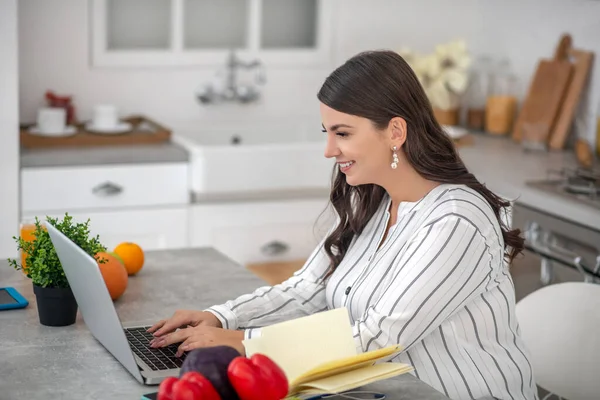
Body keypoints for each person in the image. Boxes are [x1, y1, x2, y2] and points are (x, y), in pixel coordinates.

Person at [148, 50, 537, 400]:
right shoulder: (370, 197)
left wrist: (241, 344)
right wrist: (221, 317)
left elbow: (379, 339)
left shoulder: (456, 221)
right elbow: (305, 292)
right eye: (327, 132)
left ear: (395, 133)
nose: (329, 150)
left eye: (343, 133)